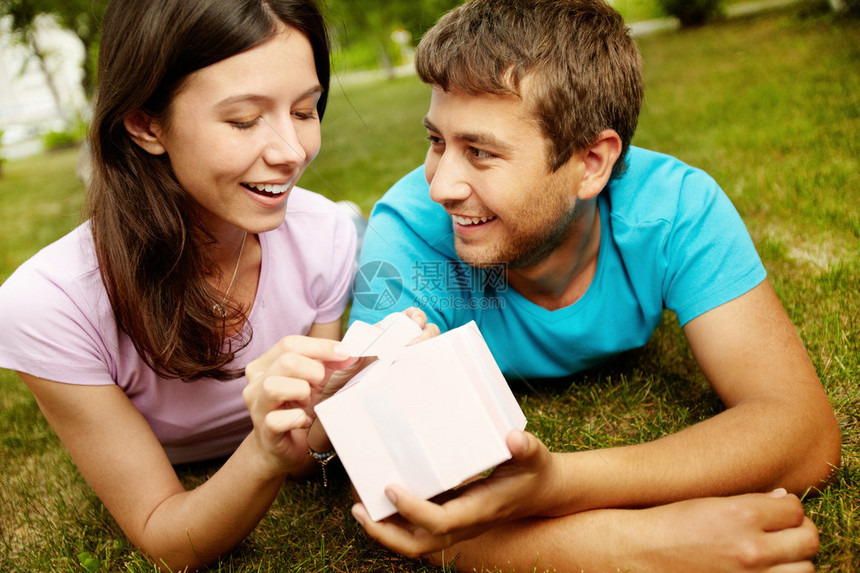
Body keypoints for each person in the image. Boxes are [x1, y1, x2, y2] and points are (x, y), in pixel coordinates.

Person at [348, 0, 842, 570]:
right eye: (438, 141)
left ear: (591, 163)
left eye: (480, 152)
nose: (442, 186)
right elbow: (382, 488)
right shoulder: (408, 233)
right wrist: (629, 547)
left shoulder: (674, 208)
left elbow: (803, 433)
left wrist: (560, 483)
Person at [0, 0, 432, 570]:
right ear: (146, 124)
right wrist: (260, 452)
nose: (291, 151)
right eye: (244, 120)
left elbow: (307, 455)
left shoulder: (323, 235)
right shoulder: (48, 305)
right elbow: (166, 536)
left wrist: (352, 389)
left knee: (335, 222)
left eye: (305, 111)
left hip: (328, 227)